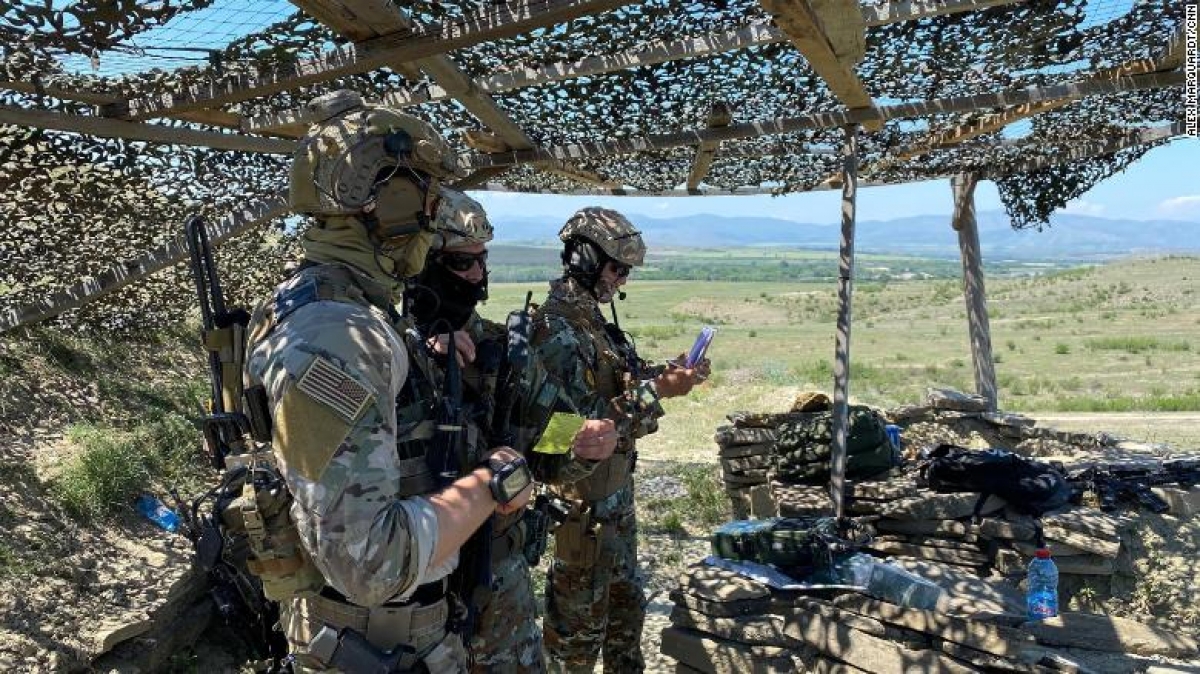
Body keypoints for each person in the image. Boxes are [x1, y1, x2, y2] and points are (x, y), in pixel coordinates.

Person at [241, 90, 534, 673]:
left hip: (372, 633)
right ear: (393, 201)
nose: (432, 217)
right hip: (376, 642)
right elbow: (369, 563)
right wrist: (493, 482)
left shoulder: (326, 308)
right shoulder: (341, 335)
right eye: (428, 197)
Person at [404, 191, 618, 673]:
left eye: (483, 261)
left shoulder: (501, 349)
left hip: (497, 587)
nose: (478, 276)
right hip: (406, 595)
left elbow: (550, 437)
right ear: (420, 264)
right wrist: (415, 353)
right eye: (461, 263)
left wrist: (584, 442)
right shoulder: (377, 349)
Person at [533, 207, 710, 673]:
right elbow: (572, 433)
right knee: (575, 643)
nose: (621, 279)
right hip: (582, 516)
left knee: (624, 626)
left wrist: (668, 375)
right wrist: (659, 392)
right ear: (586, 258)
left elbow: (619, 382)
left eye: (626, 270)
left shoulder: (594, 322)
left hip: (616, 507)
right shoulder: (554, 331)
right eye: (616, 268)